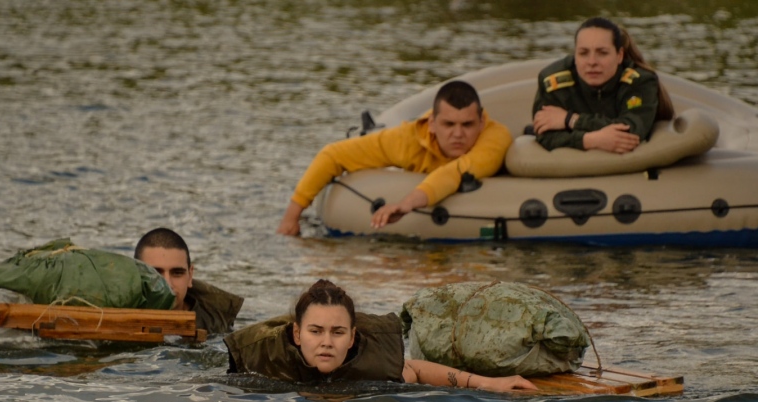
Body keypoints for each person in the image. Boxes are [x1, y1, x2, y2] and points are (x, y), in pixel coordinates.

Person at [276, 80, 513, 236]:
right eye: (449, 124)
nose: (458, 134)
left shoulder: (496, 139)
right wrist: (291, 217)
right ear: (431, 123)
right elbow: (334, 155)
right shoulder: (409, 138)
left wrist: (406, 203)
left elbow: (454, 172)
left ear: (481, 123)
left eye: (468, 125)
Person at [224, 279, 537, 393]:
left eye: (337, 332)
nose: (326, 342)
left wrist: (487, 383)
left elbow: (414, 369)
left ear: (352, 337)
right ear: (297, 334)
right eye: (315, 331)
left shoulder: (371, 363)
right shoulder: (262, 364)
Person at [531, 17, 675, 154]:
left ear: (619, 55)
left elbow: (630, 132)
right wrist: (590, 140)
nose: (592, 62)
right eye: (583, 53)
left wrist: (571, 120)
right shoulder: (553, 81)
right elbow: (544, 136)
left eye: (602, 53)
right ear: (575, 55)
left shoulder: (640, 82)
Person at [134, 228, 244, 334]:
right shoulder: (118, 309)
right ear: (135, 275)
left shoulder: (216, 328)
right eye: (155, 273)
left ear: (190, 276)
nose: (167, 284)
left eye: (177, 273)